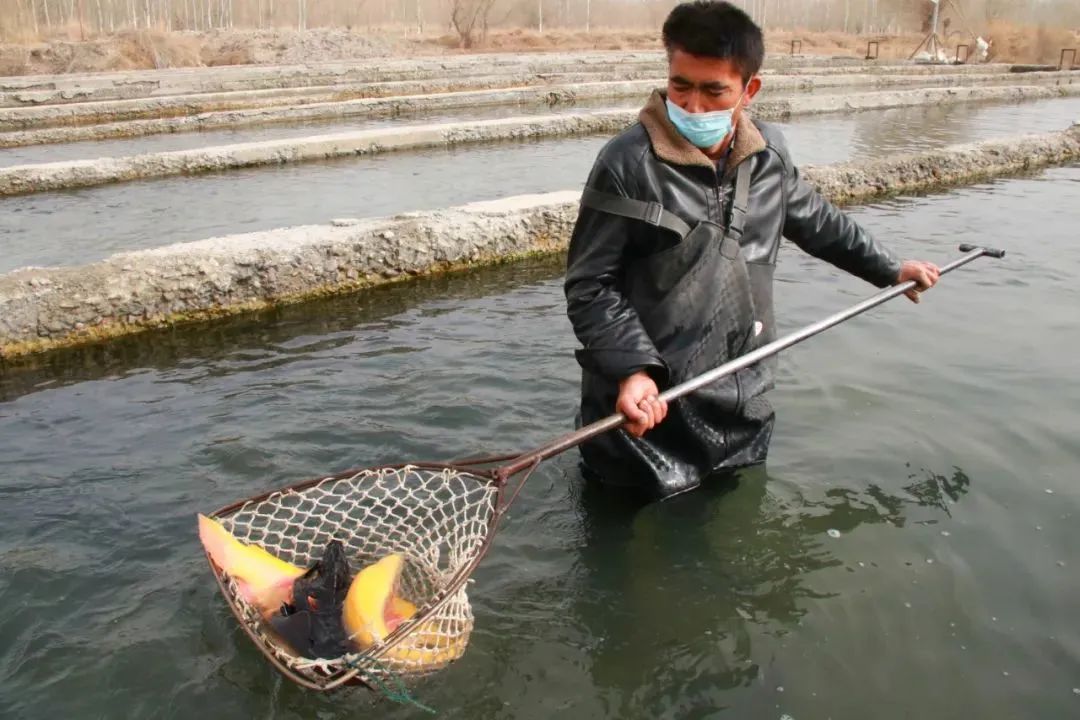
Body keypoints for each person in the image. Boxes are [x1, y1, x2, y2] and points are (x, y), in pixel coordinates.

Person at [563, 0, 940, 501]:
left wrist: (890, 268)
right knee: (637, 550)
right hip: (649, 412)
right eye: (681, 86)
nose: (693, 106)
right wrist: (633, 369)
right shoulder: (627, 164)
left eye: (714, 90)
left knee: (736, 541)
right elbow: (590, 285)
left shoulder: (768, 155)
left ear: (749, 89)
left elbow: (819, 223)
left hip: (743, 402)